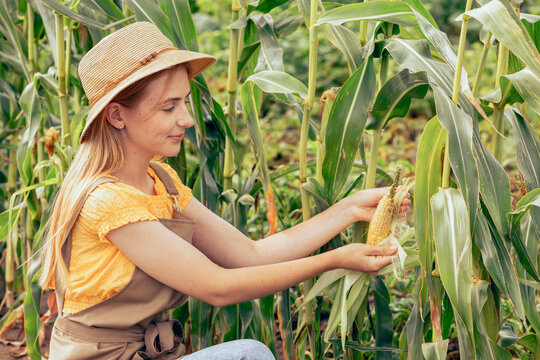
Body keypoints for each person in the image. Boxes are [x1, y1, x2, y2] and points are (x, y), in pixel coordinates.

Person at [39, 21, 408, 360]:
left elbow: (250, 255)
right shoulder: (109, 201)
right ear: (117, 115)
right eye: (169, 107)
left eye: (184, 102)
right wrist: (334, 259)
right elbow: (218, 287)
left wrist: (345, 210)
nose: (186, 119)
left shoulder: (161, 182)